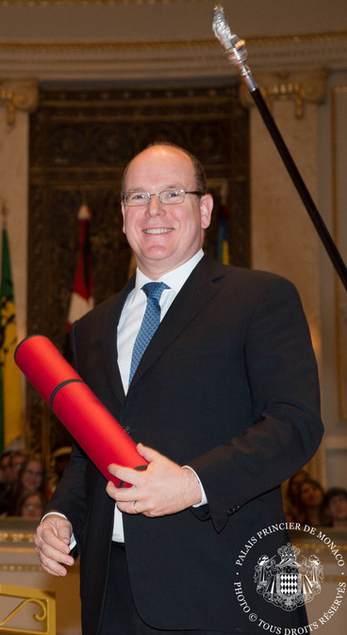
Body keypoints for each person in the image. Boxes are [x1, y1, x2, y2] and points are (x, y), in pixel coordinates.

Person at [34, 142, 324, 634]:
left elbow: (294, 424)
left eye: (172, 193)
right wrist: (60, 515)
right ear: (123, 216)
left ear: (204, 208)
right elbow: (91, 450)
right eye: (138, 197)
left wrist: (193, 483)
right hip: (112, 596)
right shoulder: (91, 328)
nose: (154, 211)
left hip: (221, 586)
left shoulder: (261, 297)